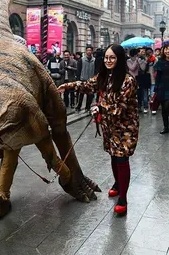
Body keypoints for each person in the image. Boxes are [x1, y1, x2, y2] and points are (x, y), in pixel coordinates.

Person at [58, 44, 139, 215]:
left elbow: (120, 108)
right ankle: (117, 184)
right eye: (107, 58)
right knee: (112, 155)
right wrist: (68, 86)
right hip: (109, 127)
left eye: (113, 58)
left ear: (119, 59)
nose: (109, 61)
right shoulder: (104, 77)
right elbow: (87, 85)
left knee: (121, 159)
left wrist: (99, 109)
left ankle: (123, 198)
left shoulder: (128, 81)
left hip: (125, 128)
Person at [154, 43, 169, 134]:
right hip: (163, 87)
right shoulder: (160, 62)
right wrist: (156, 89)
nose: (167, 51)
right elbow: (158, 77)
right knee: (164, 108)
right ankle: (166, 127)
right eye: (166, 49)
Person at [75, 46, 96, 112]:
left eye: (90, 50)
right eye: (88, 50)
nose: (89, 52)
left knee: (90, 95)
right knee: (81, 94)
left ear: (92, 51)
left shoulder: (94, 60)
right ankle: (79, 106)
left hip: (91, 81)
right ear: (86, 51)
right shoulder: (82, 59)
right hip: (83, 79)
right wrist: (78, 79)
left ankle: (87, 107)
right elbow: (78, 70)